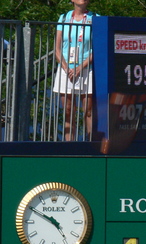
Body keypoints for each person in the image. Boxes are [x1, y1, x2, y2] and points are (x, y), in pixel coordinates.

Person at [53, 0, 97, 141]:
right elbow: (57, 49)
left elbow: (97, 48)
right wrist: (67, 68)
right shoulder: (64, 18)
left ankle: (91, 146)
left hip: (86, 68)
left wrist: (81, 66)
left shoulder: (95, 18)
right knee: (68, 110)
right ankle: (70, 147)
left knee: (88, 111)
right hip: (66, 69)